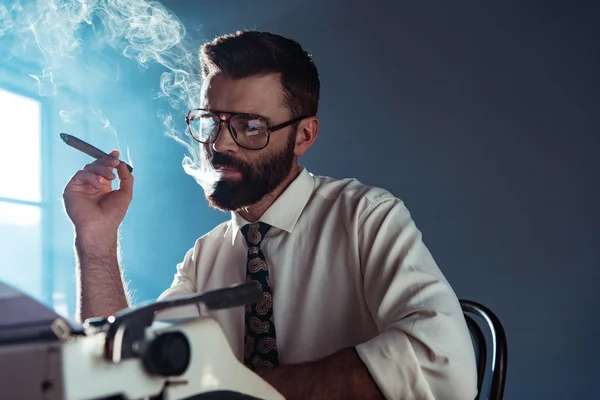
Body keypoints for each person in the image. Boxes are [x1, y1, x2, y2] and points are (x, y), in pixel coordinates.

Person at [63, 30, 477, 400]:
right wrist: (96, 241)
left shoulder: (366, 218)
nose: (220, 143)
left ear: (304, 135)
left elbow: (440, 365)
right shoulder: (204, 258)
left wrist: (245, 393)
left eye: (250, 125)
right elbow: (126, 377)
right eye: (211, 120)